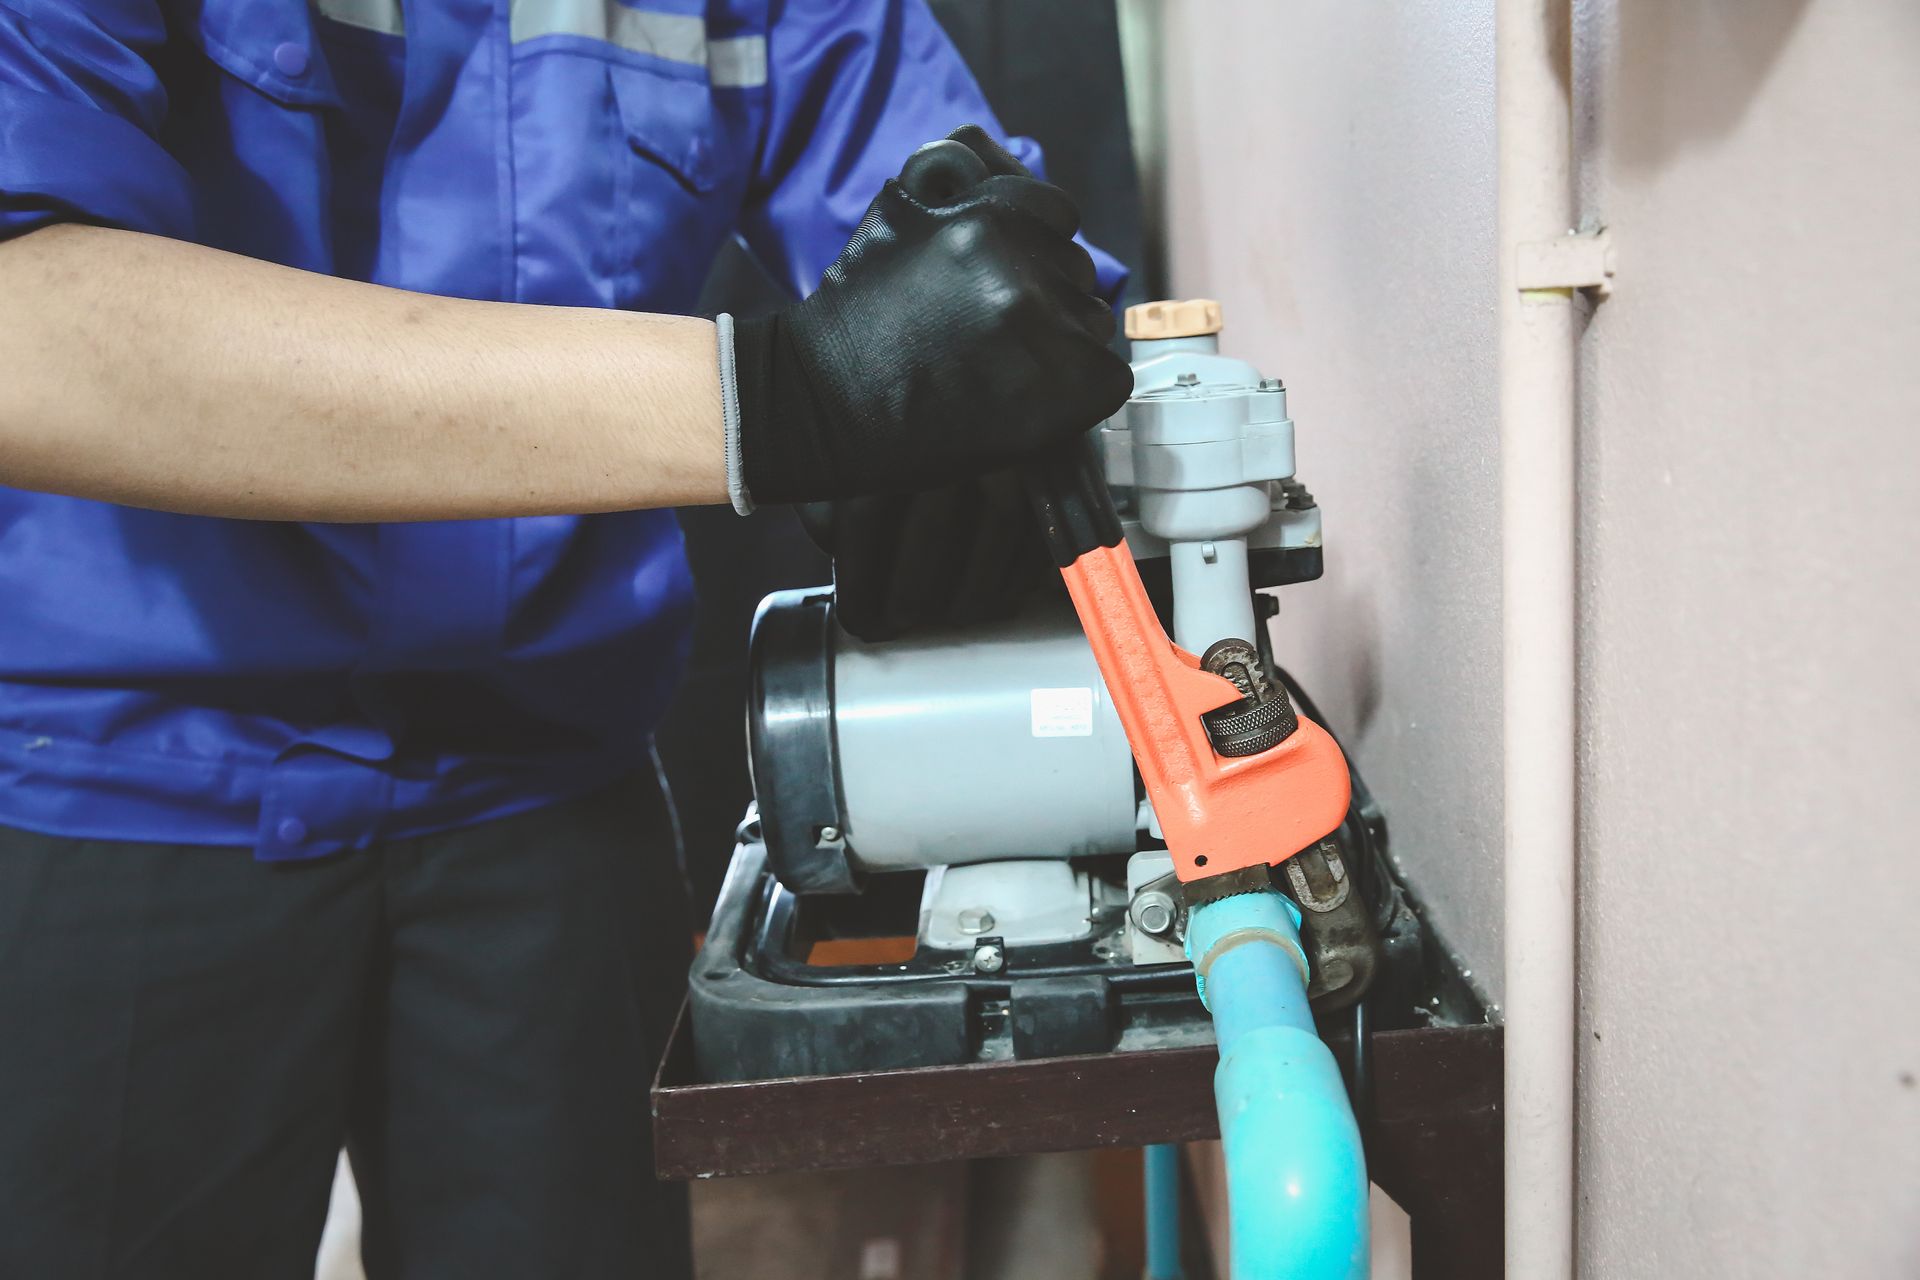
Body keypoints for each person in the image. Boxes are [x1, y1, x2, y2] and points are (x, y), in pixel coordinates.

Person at [0, 1, 1131, 1275]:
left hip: (547, 799)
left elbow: (976, 242)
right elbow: (24, 324)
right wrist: (779, 399)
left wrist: (1006, 361)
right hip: (117, 782)